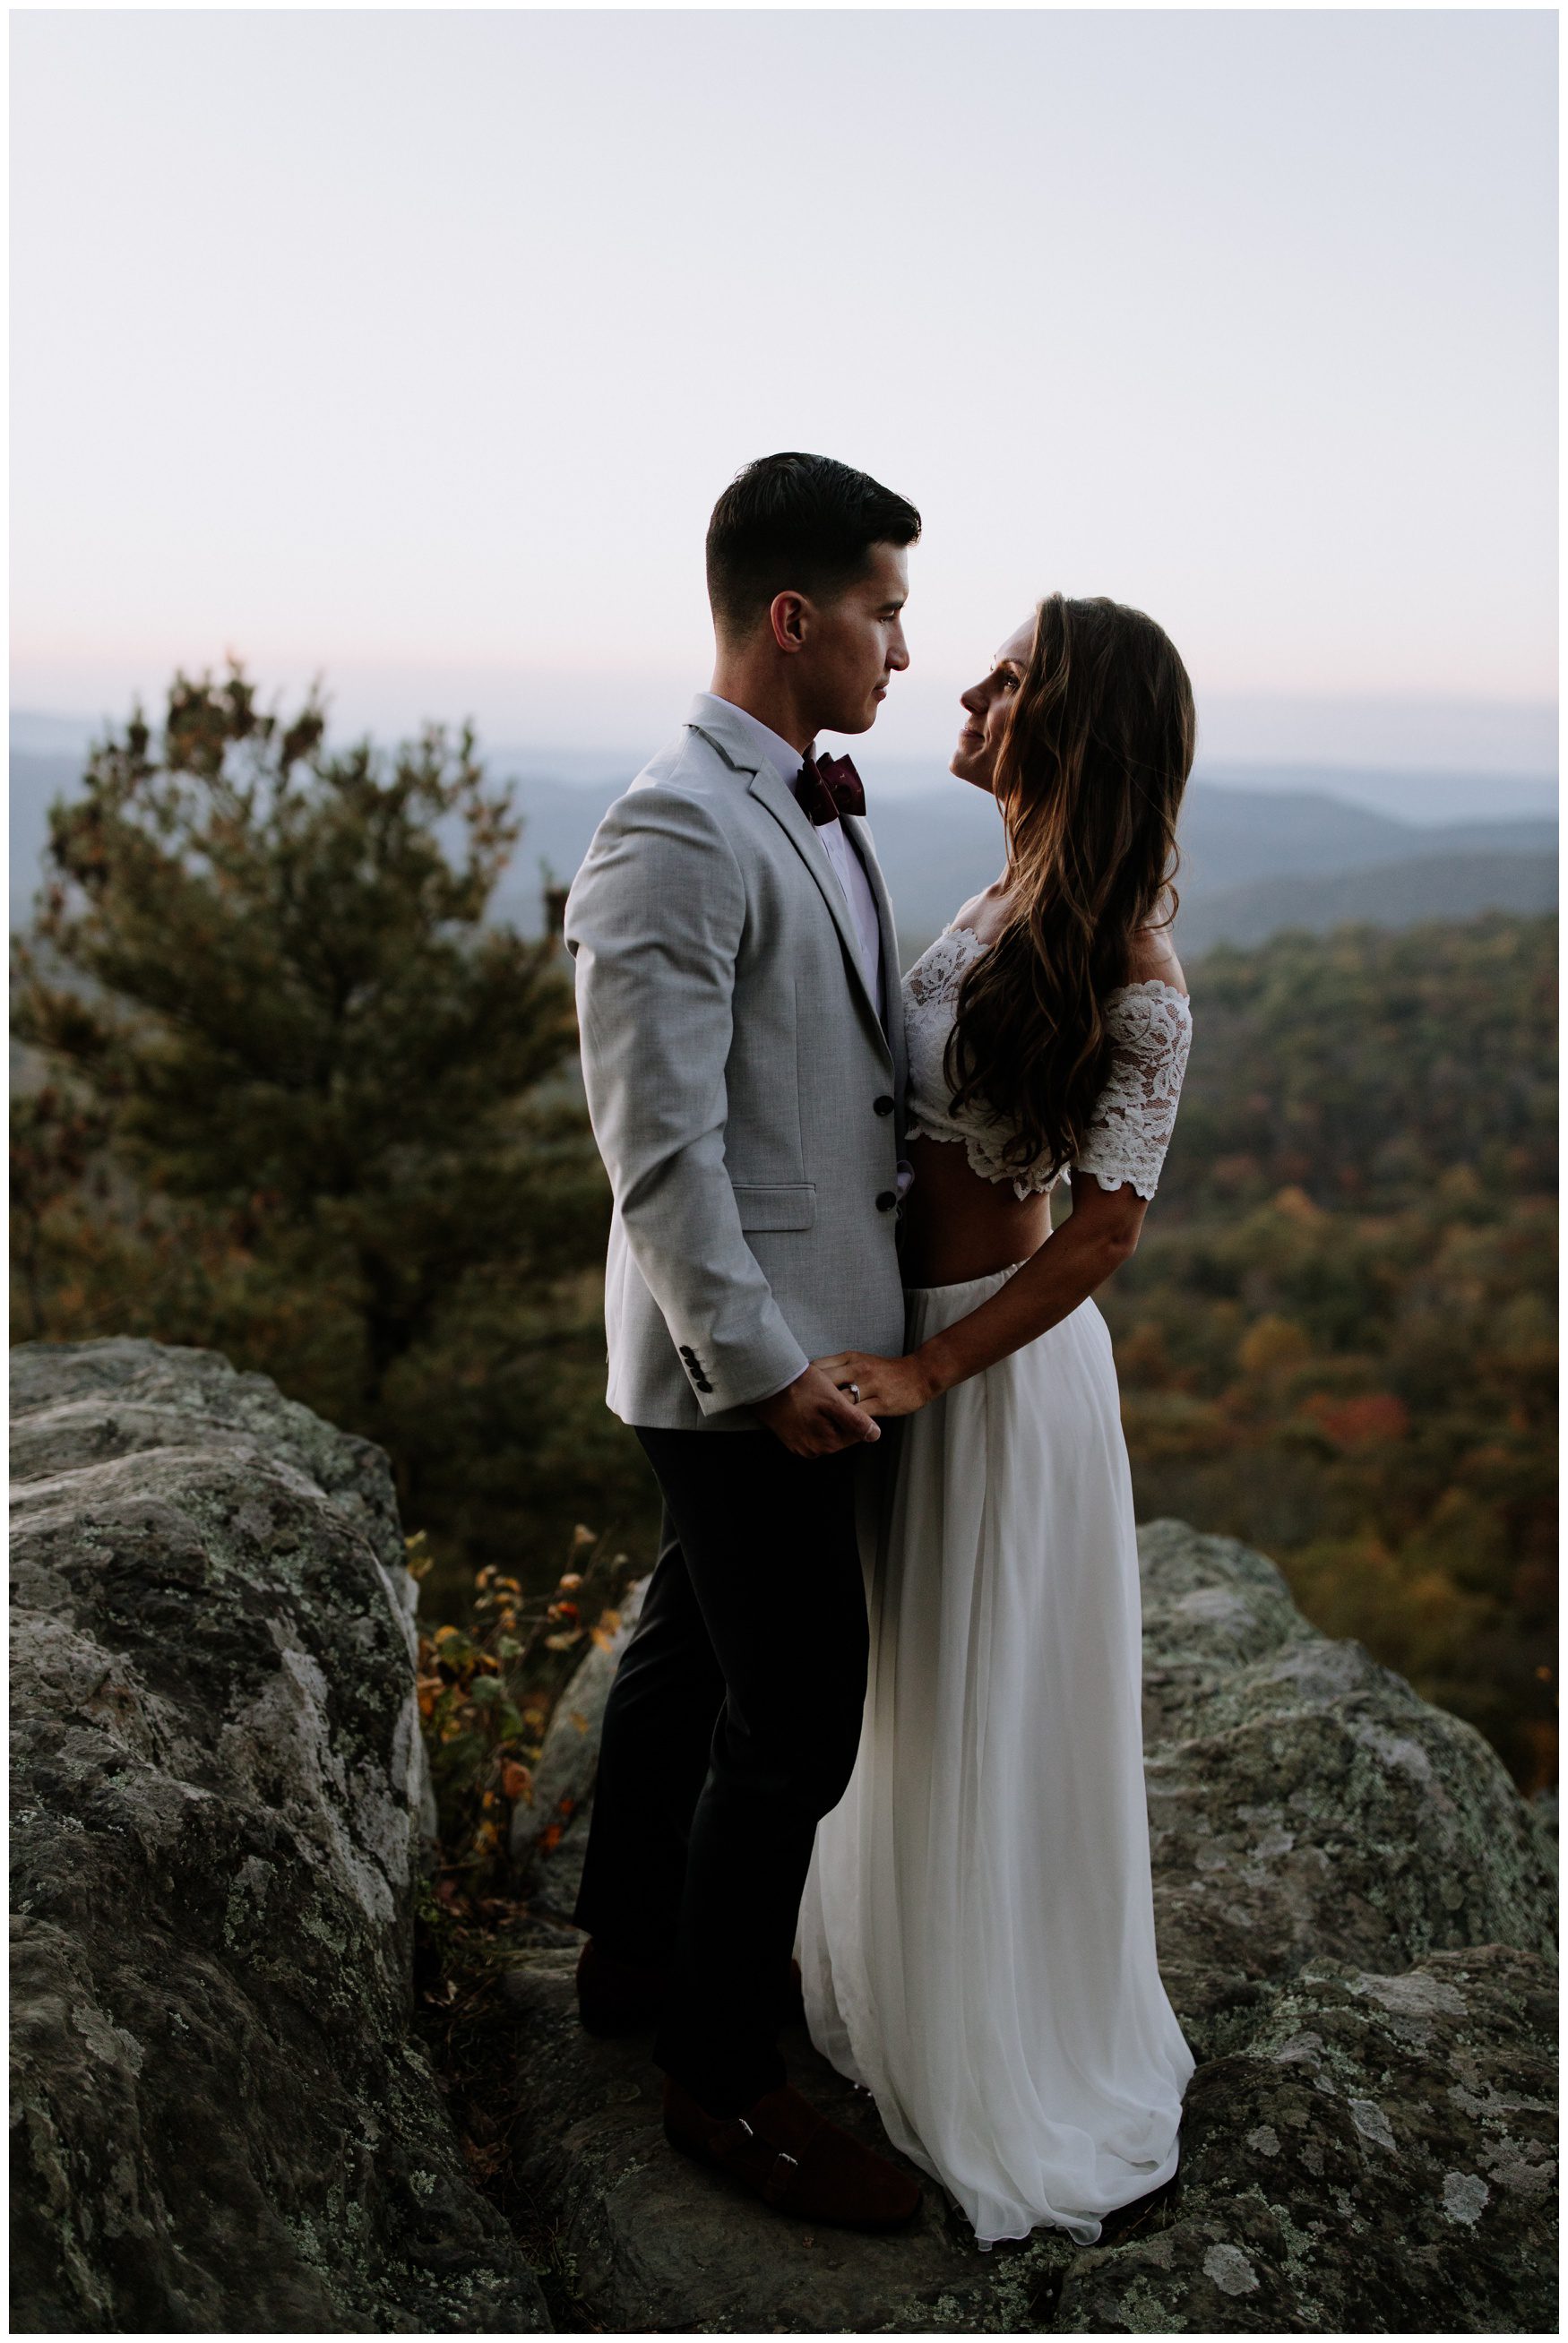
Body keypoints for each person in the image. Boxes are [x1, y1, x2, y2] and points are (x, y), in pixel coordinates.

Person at [798, 592, 1199, 2247]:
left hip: (991, 1369)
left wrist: (930, 1370)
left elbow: (1104, 1230)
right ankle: (895, 1976)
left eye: (1011, 675)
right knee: (898, 1686)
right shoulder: (1000, 892)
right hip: (902, 1337)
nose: (965, 685)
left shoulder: (1133, 967)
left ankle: (1000, 2047)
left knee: (970, 1698)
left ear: (1071, 729)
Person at [562, 451, 926, 2229]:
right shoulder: (675, 827)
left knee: (688, 1651)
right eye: (880, 610)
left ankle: (630, 1964)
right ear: (793, 617)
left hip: (782, 1341)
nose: (897, 650)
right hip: (743, 1364)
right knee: (798, 1724)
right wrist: (766, 1366)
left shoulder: (804, 805)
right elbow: (659, 1149)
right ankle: (723, 2080)